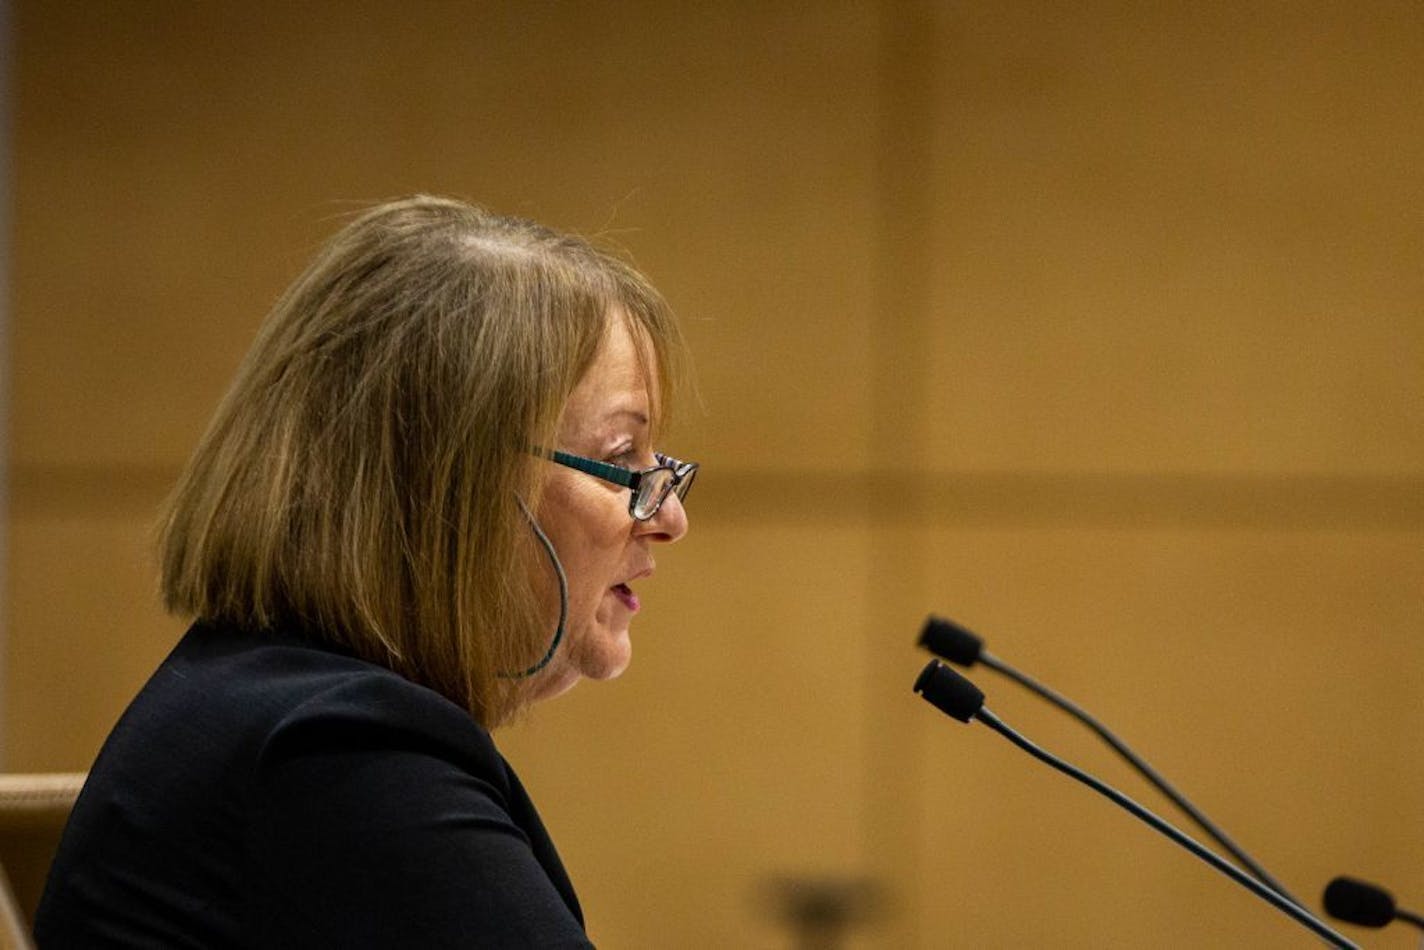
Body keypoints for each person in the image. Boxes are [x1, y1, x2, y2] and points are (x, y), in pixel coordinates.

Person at [34, 195, 696, 947]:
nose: (669, 516)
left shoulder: (263, 705)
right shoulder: (336, 754)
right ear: (443, 486)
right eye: (620, 461)